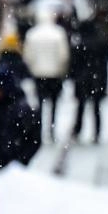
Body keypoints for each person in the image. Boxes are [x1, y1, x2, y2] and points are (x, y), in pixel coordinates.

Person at [0, 68, 40, 180]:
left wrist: (20, 162)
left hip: (13, 168)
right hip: (0, 166)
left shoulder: (22, 108)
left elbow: (34, 139)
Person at [24, 9, 71, 140]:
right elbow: (63, 55)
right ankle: (51, 127)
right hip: (54, 73)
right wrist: (62, 70)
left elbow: (28, 56)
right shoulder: (58, 33)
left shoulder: (32, 34)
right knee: (54, 102)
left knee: (40, 102)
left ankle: (39, 129)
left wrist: (32, 69)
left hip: (38, 73)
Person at [69, 13, 108, 144]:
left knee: (81, 106)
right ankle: (97, 132)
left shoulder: (80, 44)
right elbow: (106, 63)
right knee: (96, 108)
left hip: (83, 79)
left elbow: (74, 64)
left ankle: (78, 130)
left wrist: (74, 77)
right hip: (96, 79)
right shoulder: (101, 44)